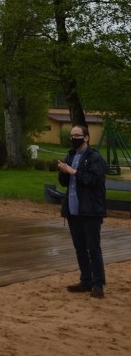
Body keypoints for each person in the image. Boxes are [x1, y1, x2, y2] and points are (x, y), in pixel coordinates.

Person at [57, 124, 107, 298]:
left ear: (86, 137)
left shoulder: (95, 158)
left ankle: (98, 284)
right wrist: (63, 171)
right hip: (73, 210)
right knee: (80, 248)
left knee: (93, 248)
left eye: (76, 135)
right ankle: (85, 281)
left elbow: (93, 180)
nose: (73, 138)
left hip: (90, 210)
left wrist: (74, 171)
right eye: (71, 135)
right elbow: (64, 182)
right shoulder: (70, 155)